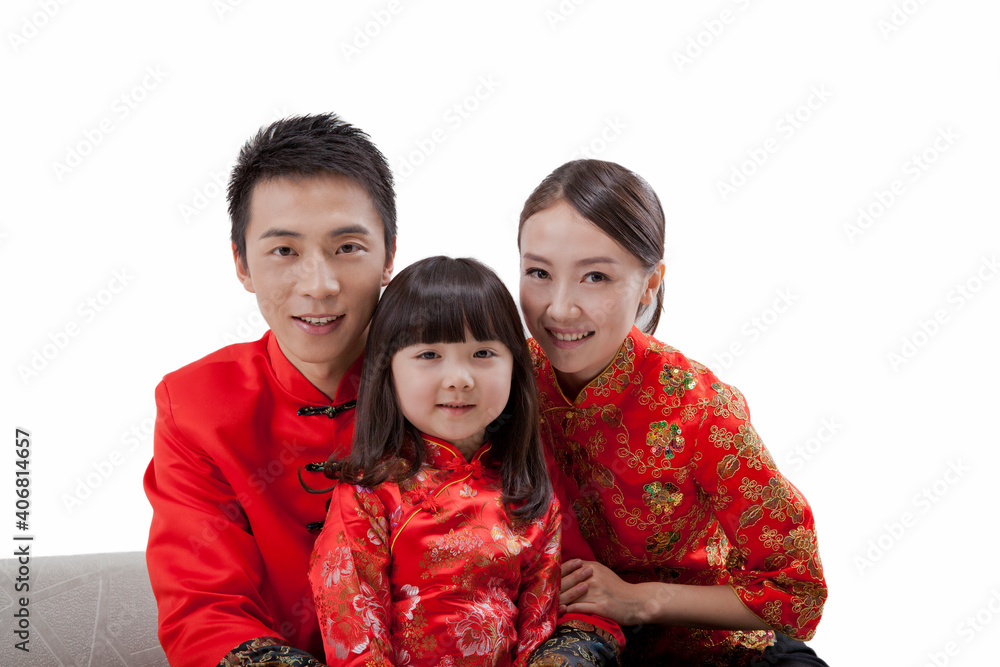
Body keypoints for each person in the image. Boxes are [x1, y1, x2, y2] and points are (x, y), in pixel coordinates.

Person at [516, 159, 828, 666]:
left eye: (595, 276)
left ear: (650, 284)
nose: (560, 308)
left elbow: (797, 590)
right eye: (538, 273)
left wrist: (642, 600)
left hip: (712, 650)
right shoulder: (502, 383)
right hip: (566, 643)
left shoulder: (700, 409)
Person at [143, 113, 396, 667]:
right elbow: (204, 615)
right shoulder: (194, 407)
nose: (319, 285)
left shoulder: (461, 384)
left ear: (389, 256)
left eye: (348, 247)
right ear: (242, 264)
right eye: (284, 251)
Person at [308, 256, 564, 665]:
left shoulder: (530, 495)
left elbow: (538, 633)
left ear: (516, 366)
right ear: (387, 371)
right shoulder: (368, 493)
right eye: (429, 355)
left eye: (483, 352)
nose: (459, 378)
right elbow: (355, 637)